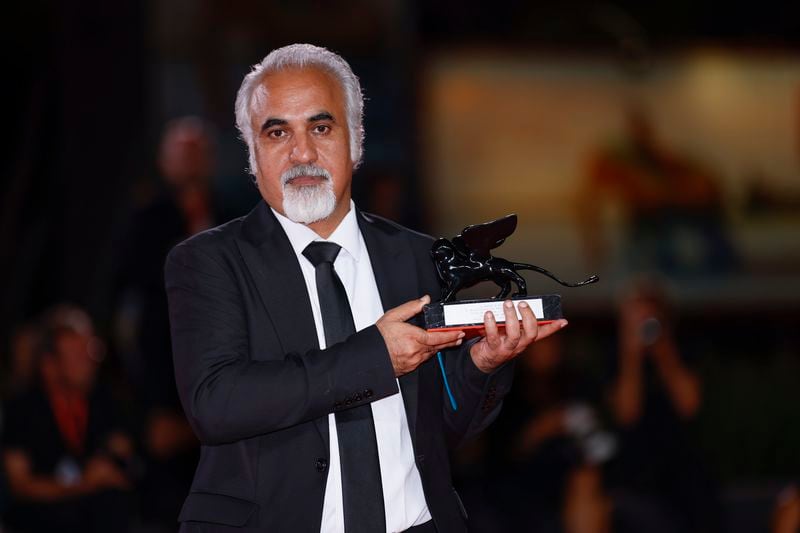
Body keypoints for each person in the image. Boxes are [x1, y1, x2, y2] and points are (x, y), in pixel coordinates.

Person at [165, 44, 568, 532]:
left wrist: (481, 365)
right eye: (277, 132)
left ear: (355, 138)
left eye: (321, 127)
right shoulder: (209, 261)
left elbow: (438, 432)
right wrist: (376, 358)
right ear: (252, 151)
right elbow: (217, 405)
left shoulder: (418, 257)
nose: (302, 153)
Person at [1, 305, 135, 533]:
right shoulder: (24, 409)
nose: (87, 362)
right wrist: (83, 483)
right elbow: (20, 485)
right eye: (76, 354)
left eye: (91, 351)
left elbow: (125, 457)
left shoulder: (103, 403)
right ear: (49, 364)